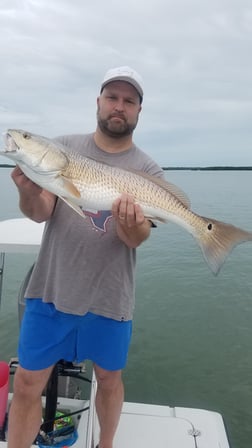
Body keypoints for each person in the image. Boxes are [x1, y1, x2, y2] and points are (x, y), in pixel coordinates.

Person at [8, 66, 164, 448]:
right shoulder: (63, 148)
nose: (119, 106)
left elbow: (137, 237)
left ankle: (105, 444)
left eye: (129, 101)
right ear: (98, 102)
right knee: (28, 381)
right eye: (112, 97)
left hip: (111, 295)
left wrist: (130, 223)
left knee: (110, 379)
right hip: (51, 288)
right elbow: (42, 210)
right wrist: (29, 191)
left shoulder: (147, 170)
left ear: (139, 111)